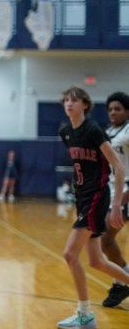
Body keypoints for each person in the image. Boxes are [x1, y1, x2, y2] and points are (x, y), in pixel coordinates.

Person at [57, 86, 129, 329]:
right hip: (82, 197)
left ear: (85, 105)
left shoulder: (93, 130)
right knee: (97, 261)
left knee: (69, 254)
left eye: (75, 100)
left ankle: (85, 314)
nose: (70, 103)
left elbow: (118, 166)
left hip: (97, 197)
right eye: (67, 99)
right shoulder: (66, 131)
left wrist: (117, 204)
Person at [101, 91, 129, 308]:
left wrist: (121, 199)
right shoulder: (108, 131)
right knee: (106, 240)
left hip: (125, 191)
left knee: (106, 239)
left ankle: (122, 281)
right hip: (113, 190)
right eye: (110, 109)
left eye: (117, 109)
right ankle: (123, 279)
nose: (113, 112)